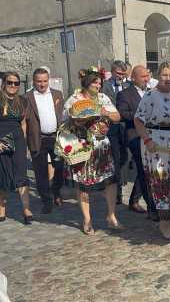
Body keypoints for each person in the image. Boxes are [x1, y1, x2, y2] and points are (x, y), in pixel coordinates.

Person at [134, 62, 170, 241]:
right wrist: (147, 140)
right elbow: (138, 120)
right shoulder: (151, 96)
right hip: (157, 144)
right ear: (158, 75)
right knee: (162, 182)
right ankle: (163, 224)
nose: (168, 79)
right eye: (164, 75)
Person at [63, 68, 121, 235]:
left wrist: (106, 113)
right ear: (86, 83)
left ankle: (111, 216)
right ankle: (87, 219)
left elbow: (117, 116)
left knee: (111, 180)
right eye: (95, 82)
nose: (98, 84)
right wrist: (79, 121)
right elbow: (64, 121)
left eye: (99, 82)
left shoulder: (103, 98)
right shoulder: (74, 99)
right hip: (82, 146)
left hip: (102, 145)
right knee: (83, 183)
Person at [116, 65, 156, 216]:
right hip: (134, 136)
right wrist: (142, 114)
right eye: (143, 76)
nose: (146, 79)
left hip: (152, 135)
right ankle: (152, 208)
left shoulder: (152, 93)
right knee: (144, 168)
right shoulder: (125, 94)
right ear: (133, 78)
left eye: (147, 76)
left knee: (144, 170)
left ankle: (134, 200)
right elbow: (123, 114)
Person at [25, 68, 64, 213]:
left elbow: (63, 115)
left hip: (55, 137)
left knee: (60, 167)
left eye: (45, 81)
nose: (42, 84)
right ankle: (47, 201)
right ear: (34, 81)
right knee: (40, 172)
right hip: (37, 138)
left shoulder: (57, 94)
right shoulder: (27, 97)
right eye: (39, 81)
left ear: (49, 80)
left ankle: (56, 191)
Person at [0, 72, 33, 225]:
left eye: (16, 83)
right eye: (10, 82)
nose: (13, 85)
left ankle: (26, 210)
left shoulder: (23, 101)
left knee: (21, 172)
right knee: (3, 174)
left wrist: (24, 141)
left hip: (18, 140)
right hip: (1, 140)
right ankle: (1, 209)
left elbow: (23, 123)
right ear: (4, 83)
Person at [102, 60, 129, 204]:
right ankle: (116, 192)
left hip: (125, 126)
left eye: (123, 74)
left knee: (125, 157)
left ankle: (120, 181)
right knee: (116, 158)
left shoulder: (127, 85)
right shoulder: (105, 86)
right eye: (118, 73)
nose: (120, 76)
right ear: (112, 72)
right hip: (111, 127)